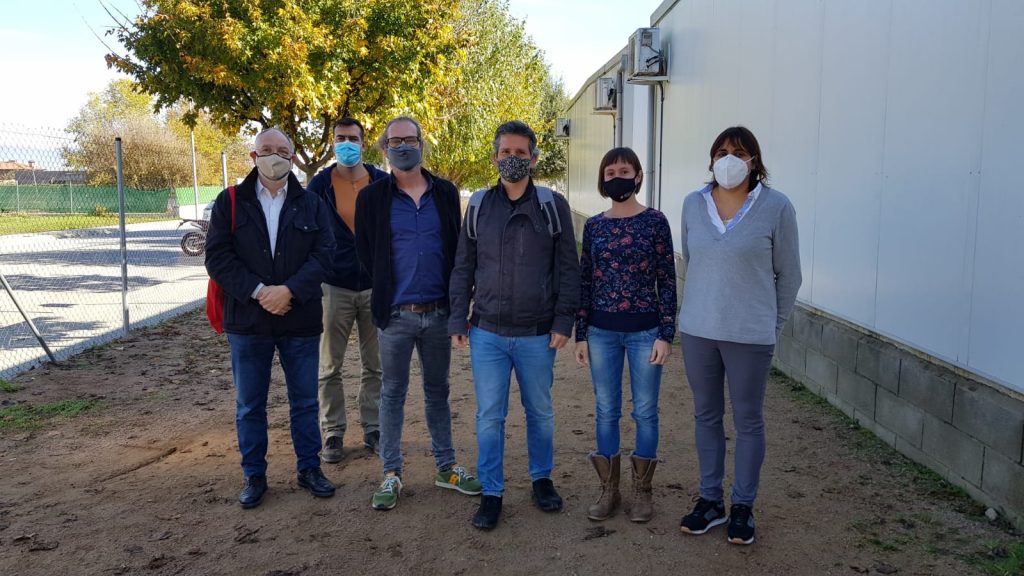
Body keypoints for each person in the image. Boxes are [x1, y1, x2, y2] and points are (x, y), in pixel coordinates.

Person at [449, 120, 581, 530]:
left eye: (520, 153)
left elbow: (568, 269)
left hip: (537, 334)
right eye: (505, 152)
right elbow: (463, 265)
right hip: (487, 332)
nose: (512, 159)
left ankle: (542, 479)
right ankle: (492, 492)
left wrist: (563, 321)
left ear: (534, 158)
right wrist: (457, 316)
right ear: (494, 158)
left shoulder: (552, 206)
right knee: (490, 416)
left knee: (539, 411)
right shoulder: (478, 206)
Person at [677, 126, 801, 545]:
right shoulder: (693, 204)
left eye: (739, 152)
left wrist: (771, 326)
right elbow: (691, 261)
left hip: (750, 337)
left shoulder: (776, 207)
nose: (729, 159)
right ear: (712, 159)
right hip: (698, 332)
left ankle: (743, 505)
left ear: (754, 161)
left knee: (748, 420)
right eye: (722, 152)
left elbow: (789, 275)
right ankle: (710, 500)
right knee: (706, 415)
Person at [205, 127, 337, 509]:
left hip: (300, 318)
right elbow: (217, 257)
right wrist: (260, 291)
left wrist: (289, 291)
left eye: (282, 150)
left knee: (305, 402)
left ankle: (310, 468)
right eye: (266, 150)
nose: (274, 156)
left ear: (292, 158)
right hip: (249, 321)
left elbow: (325, 254)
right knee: (250, 405)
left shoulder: (312, 204)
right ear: (253, 156)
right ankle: (254, 475)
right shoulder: (230, 201)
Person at [354, 116, 481, 511]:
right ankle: (391, 473)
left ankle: (446, 467)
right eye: (396, 141)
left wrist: (458, 306)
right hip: (396, 316)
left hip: (439, 313)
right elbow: (366, 252)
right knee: (392, 393)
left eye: (410, 139)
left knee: (438, 391)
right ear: (384, 148)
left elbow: (457, 249)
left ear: (421, 144)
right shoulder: (371, 198)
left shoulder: (445, 193)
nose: (403, 146)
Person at [574, 147, 676, 523]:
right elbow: (585, 281)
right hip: (601, 332)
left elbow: (667, 279)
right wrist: (581, 333)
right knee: (606, 410)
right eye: (611, 171)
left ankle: (642, 492)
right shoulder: (594, 226)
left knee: (645, 411)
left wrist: (666, 333)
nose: (618, 176)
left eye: (625, 170)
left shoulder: (655, 222)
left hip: (645, 332)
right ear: (603, 179)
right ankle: (609, 490)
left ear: (638, 176)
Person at [307, 118, 388, 463]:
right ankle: (333, 433)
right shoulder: (320, 184)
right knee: (329, 367)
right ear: (333, 143)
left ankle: (374, 428)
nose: (346, 143)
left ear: (364, 143)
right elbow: (308, 231)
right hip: (333, 286)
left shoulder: (381, 182)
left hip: (375, 286)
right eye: (340, 138)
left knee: (376, 366)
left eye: (353, 138)